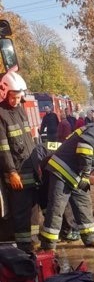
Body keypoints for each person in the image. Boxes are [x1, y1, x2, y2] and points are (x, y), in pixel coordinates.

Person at [39, 117, 94, 251]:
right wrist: (86, 174)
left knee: (84, 203)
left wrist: (86, 175)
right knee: (57, 206)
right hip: (63, 170)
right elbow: (85, 146)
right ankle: (48, 245)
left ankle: (89, 237)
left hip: (76, 174)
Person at [0, 71, 41, 253]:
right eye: (13, 97)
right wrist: (12, 172)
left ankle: (33, 240)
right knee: (20, 210)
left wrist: (37, 164)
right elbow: (3, 148)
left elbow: (30, 139)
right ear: (4, 92)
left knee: (33, 208)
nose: (16, 101)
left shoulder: (21, 110)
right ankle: (24, 246)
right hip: (16, 172)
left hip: (30, 168)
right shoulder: (1, 114)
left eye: (19, 97)